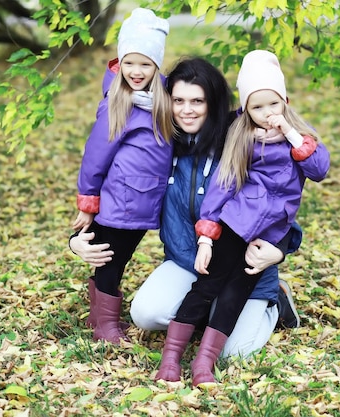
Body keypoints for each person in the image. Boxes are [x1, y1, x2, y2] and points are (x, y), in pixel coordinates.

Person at [70, 57, 302, 356]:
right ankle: (207, 309)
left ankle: (276, 301)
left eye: (197, 101)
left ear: (213, 102)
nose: (186, 110)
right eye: (178, 100)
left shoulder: (243, 141)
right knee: (146, 314)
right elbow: (120, 195)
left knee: (235, 352)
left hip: (242, 266)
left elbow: (277, 203)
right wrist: (76, 240)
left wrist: (280, 249)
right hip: (186, 261)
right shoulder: (161, 144)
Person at [155, 50, 330, 386]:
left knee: (235, 295)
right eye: (257, 107)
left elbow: (319, 169)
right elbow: (223, 185)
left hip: (267, 237)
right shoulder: (244, 138)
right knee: (207, 287)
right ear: (246, 110)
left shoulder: (300, 141)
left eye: (273, 105)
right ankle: (171, 356)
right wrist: (206, 235)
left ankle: (204, 363)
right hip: (236, 226)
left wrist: (292, 135)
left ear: (285, 102)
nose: (267, 114)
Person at [72, 8, 173, 345]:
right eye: (129, 63)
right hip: (119, 197)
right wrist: (88, 201)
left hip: (145, 200)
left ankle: (97, 314)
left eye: (145, 64)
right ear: (119, 62)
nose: (136, 71)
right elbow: (95, 155)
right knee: (110, 258)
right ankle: (106, 325)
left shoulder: (161, 98)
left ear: (157, 65)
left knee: (120, 255)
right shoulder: (118, 103)